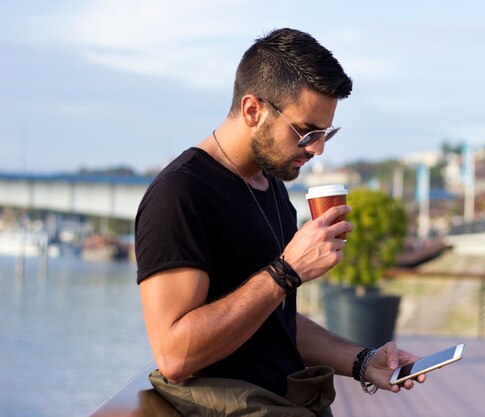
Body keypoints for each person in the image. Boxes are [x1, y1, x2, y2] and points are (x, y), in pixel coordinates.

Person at [135, 28, 424, 416]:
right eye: (306, 131)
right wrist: (286, 271)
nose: (318, 148)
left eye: (326, 133)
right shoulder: (181, 193)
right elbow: (174, 355)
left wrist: (363, 361)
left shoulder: (270, 186)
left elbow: (273, 320)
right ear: (253, 110)